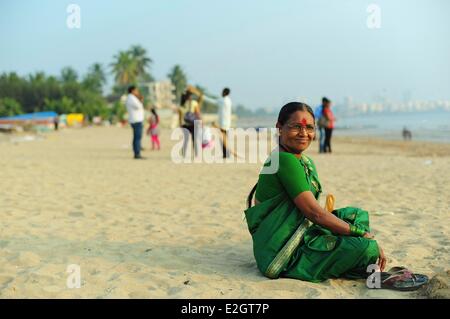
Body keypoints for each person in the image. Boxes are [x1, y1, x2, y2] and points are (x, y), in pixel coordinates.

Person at [244, 102, 428, 290]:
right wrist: (362, 235)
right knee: (366, 247)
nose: (304, 133)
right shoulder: (284, 160)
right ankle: (365, 268)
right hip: (280, 253)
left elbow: (314, 213)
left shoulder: (302, 160)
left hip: (297, 230)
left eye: (309, 128)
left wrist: (349, 229)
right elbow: (314, 214)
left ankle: (359, 263)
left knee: (356, 215)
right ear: (279, 128)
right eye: (296, 127)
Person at [178, 86, 203, 157]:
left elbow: (180, 115)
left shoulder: (182, 104)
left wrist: (180, 124)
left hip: (185, 124)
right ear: (190, 96)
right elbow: (197, 113)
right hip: (193, 124)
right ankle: (196, 154)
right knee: (194, 139)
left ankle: (184, 154)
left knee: (185, 139)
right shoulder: (194, 103)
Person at [125, 85, 145, 159]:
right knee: (137, 137)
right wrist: (141, 100)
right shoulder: (131, 98)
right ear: (132, 91)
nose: (137, 92)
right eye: (136, 90)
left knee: (137, 137)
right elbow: (138, 106)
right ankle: (137, 153)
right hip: (136, 120)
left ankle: (137, 152)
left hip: (136, 119)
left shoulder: (132, 98)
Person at [217, 87, 232, 158]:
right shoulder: (229, 101)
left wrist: (202, 96)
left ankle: (225, 154)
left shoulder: (222, 101)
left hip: (223, 123)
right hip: (227, 123)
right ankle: (226, 153)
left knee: (223, 139)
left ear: (224, 93)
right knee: (225, 138)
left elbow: (213, 101)